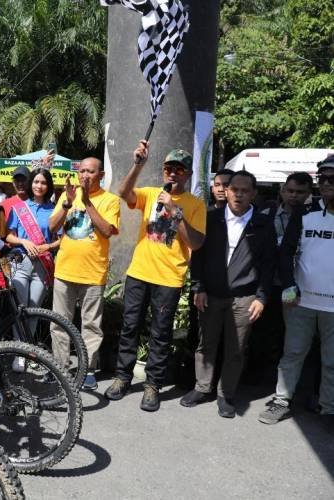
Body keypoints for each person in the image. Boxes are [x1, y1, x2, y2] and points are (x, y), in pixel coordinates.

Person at [105, 141, 206, 412]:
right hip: (139, 272)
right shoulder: (151, 193)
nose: (173, 173)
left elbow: (196, 244)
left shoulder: (195, 205)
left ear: (188, 174)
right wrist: (138, 164)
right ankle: (122, 377)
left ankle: (152, 385)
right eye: (168, 168)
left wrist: (174, 211)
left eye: (179, 169)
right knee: (130, 326)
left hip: (168, 278)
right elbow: (123, 192)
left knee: (161, 334)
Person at [181, 171, 275, 418]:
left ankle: (226, 394)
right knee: (206, 343)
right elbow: (198, 254)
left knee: (236, 348)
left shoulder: (263, 224)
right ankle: (202, 388)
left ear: (253, 194)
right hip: (211, 293)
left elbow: (268, 264)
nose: (239, 195)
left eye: (245, 190)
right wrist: (198, 287)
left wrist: (261, 297)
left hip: (245, 297)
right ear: (227, 191)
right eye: (235, 189)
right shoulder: (211, 218)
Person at [258, 158, 334, 424]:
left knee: (331, 362)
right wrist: (290, 286)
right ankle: (281, 400)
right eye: (322, 179)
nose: (326, 184)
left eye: (332, 179)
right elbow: (286, 253)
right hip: (301, 301)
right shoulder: (305, 213)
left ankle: (328, 409)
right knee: (292, 354)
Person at [48, 158, 120, 390]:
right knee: (59, 323)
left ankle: (87, 369)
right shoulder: (68, 194)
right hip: (65, 270)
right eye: (82, 171)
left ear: (101, 174)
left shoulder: (110, 200)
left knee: (91, 325)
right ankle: (60, 367)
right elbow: (51, 227)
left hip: (92, 273)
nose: (85, 175)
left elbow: (108, 231)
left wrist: (87, 202)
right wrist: (68, 204)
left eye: (91, 172)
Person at [5, 168, 59, 322]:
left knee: (35, 312)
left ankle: (29, 346)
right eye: (36, 182)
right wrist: (23, 241)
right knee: (19, 310)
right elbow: (9, 236)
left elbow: (61, 239)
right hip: (20, 263)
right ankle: (17, 346)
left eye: (43, 183)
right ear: (31, 183)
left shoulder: (54, 210)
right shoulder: (19, 208)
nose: (39, 186)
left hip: (42, 266)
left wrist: (48, 247)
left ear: (48, 186)